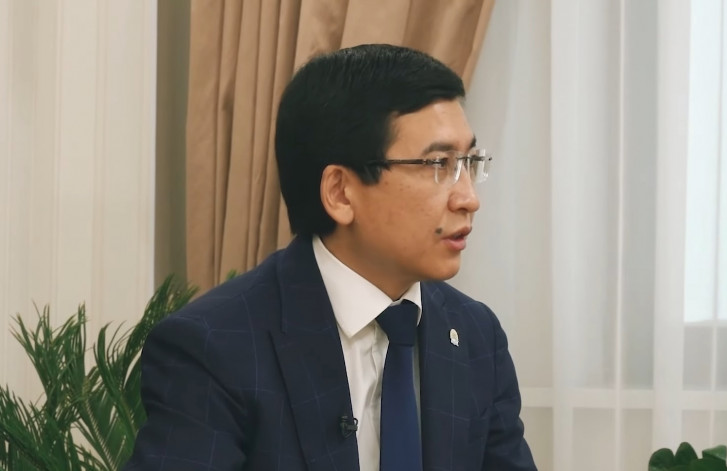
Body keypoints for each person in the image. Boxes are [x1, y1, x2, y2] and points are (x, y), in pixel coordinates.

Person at [124, 44, 537, 471]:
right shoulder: (217, 347)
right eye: (438, 165)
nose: (469, 198)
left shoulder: (475, 336)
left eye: (469, 162)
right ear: (340, 192)